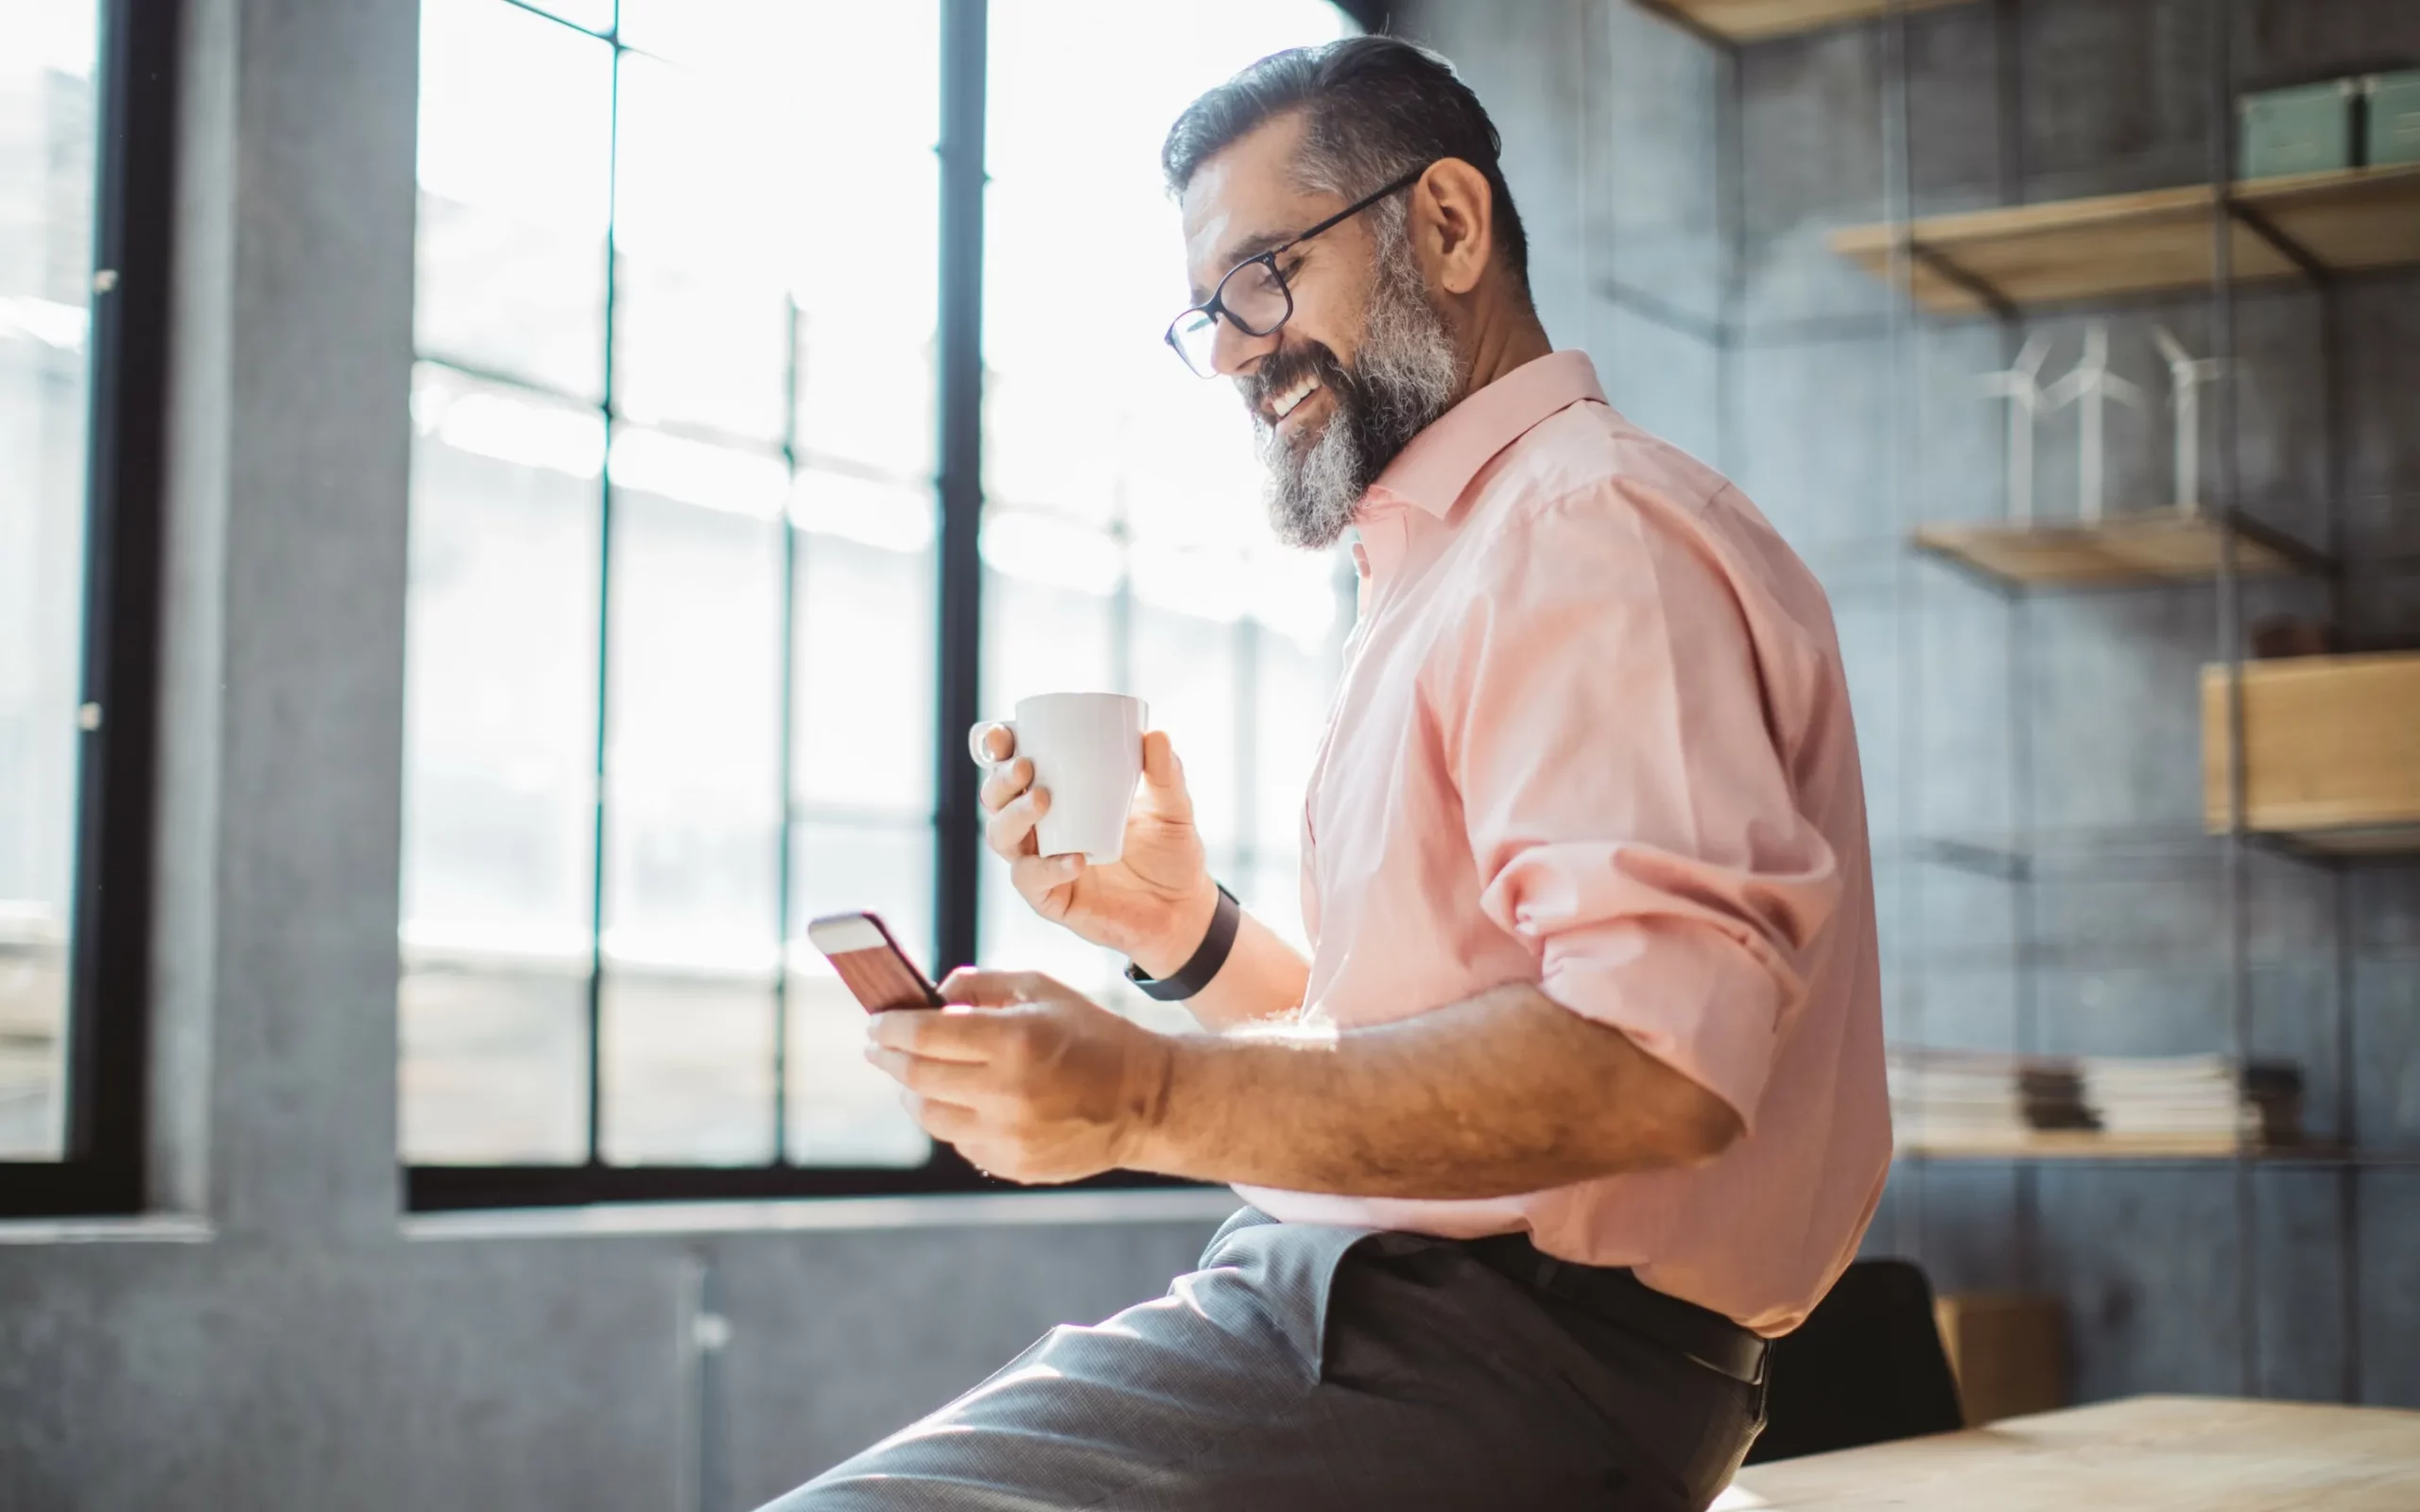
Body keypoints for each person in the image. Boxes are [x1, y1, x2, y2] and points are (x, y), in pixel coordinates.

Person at [762, 34, 1888, 1512]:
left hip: (1479, 1352)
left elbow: (1650, 1068)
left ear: (1448, 225)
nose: (1228, 349)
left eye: (1260, 277)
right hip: (1409, 1324)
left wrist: (1144, 1098)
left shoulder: (1583, 531)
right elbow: (1437, 1062)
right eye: (1204, 313)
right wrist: (1187, 938)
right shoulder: (1458, 563)